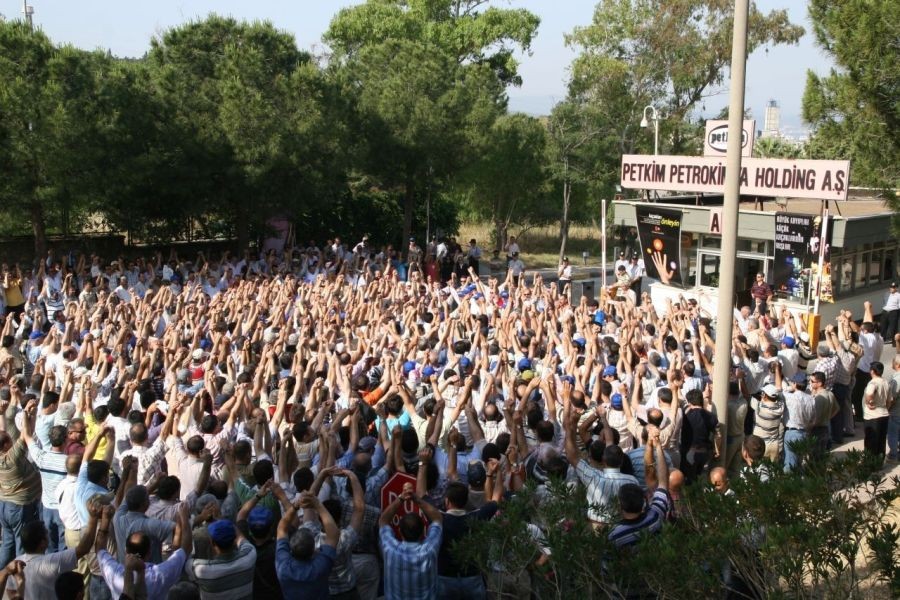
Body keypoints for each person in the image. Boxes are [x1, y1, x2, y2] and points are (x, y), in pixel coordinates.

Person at [95, 502, 192, 598]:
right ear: (149, 552)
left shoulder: (115, 574)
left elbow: (99, 549)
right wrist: (184, 518)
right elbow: (186, 549)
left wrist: (105, 519)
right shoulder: (159, 575)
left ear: (125, 550)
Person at [15, 499, 99, 600]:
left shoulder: (15, 566)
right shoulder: (51, 562)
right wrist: (93, 518)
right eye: (46, 534)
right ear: (42, 543)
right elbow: (83, 548)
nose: (48, 535)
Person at [379, 482, 444, 600]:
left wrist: (401, 498)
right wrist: (416, 499)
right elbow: (437, 518)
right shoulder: (429, 550)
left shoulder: (390, 549)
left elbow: (383, 521)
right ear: (423, 530)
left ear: (399, 531)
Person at [0, 397, 42, 569]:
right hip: (20, 507)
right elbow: (25, 436)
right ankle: (21, 578)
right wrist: (26, 413)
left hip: (5, 505)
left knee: (7, 543)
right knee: (21, 544)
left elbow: (5, 431)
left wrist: (3, 413)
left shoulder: (5, 455)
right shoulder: (12, 458)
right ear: (7, 444)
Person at [275, 491, 339, 600]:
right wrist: (318, 505)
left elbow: (282, 527)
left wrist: (295, 506)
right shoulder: (320, 567)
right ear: (314, 549)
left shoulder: (283, 566)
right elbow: (333, 534)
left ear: (291, 548)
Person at [187, 518, 257, 599]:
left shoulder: (201, 570)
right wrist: (224, 522)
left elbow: (182, 556)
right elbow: (240, 537)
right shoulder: (249, 555)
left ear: (212, 542)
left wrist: (185, 520)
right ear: (234, 539)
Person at [863, 361, 890, 464]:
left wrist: (869, 402)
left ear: (872, 371)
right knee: (881, 440)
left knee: (871, 441)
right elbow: (890, 400)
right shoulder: (885, 382)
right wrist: (885, 408)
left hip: (872, 416)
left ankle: (870, 463)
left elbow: (869, 393)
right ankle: (879, 462)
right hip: (884, 414)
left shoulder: (873, 383)